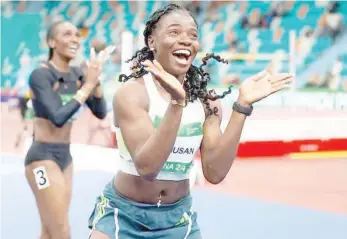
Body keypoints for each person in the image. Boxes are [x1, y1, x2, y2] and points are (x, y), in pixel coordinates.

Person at [88, 4, 293, 239]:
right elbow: (147, 168)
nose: (186, 40)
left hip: (177, 219)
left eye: (193, 35)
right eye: (174, 32)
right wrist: (177, 104)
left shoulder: (207, 103)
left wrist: (242, 107)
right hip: (123, 215)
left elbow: (214, 173)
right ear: (151, 42)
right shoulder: (132, 94)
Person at [24, 20, 114, 239]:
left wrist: (96, 80)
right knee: (61, 230)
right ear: (52, 42)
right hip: (42, 159)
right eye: (67, 34)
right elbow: (58, 117)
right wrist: (87, 86)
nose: (74, 39)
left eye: (76, 35)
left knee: (49, 229)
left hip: (66, 158)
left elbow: (101, 112)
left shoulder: (78, 74)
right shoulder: (41, 75)